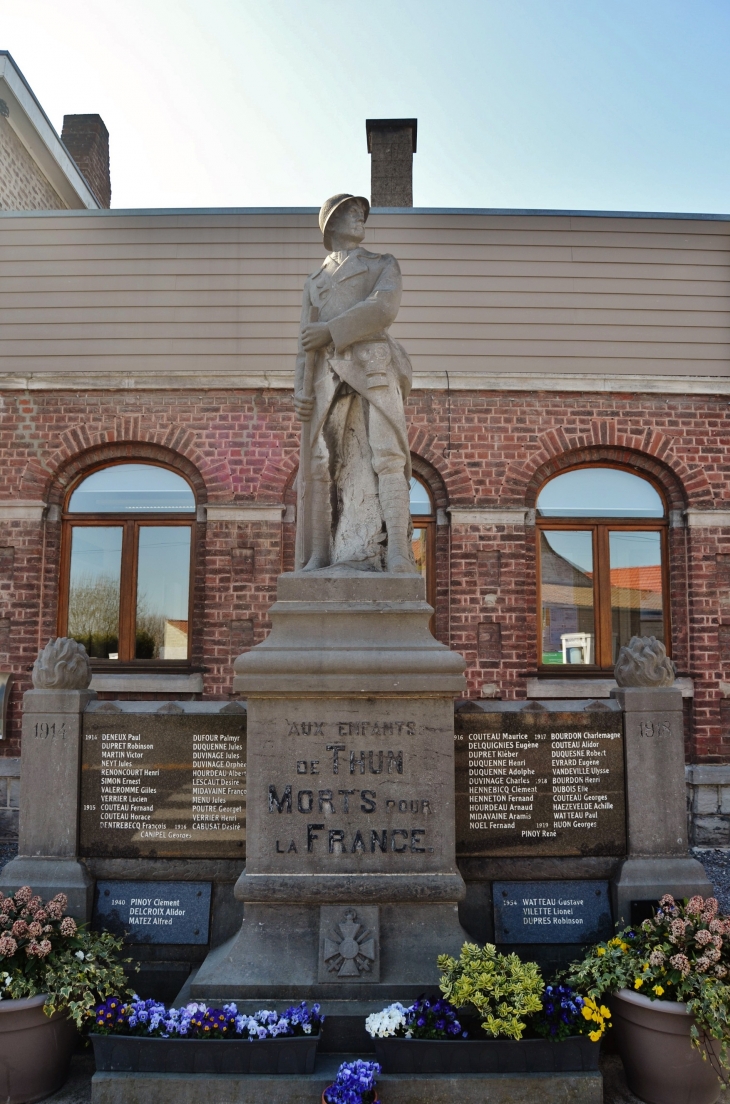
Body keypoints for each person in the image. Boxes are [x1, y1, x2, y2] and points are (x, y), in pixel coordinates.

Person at [294, 193, 416, 574]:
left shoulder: (382, 264)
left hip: (371, 367)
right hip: (325, 377)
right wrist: (300, 388)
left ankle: (397, 551)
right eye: (350, 211)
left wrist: (332, 330)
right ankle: (320, 553)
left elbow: (383, 308)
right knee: (319, 465)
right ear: (329, 224)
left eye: (361, 211)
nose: (359, 216)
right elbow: (304, 340)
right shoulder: (314, 281)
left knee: (388, 454)